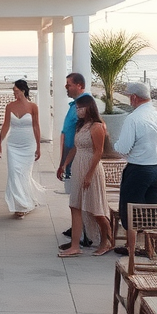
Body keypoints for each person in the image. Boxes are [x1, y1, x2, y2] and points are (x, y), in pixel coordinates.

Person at [113, 81, 157, 256]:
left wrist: (115, 146)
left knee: (131, 207)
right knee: (153, 206)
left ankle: (131, 247)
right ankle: (150, 247)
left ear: (134, 97)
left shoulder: (134, 118)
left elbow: (123, 148)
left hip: (138, 168)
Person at [58, 94, 113, 257]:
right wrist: (64, 164)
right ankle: (75, 245)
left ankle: (106, 240)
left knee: (96, 208)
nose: (78, 111)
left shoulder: (97, 126)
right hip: (78, 166)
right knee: (74, 205)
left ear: (89, 108)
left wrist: (89, 175)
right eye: (77, 108)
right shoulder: (80, 126)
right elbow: (75, 147)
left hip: (92, 167)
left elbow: (98, 152)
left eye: (81, 108)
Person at [0, 79, 44, 217]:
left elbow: (36, 126)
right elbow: (6, 125)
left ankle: (26, 202)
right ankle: (21, 205)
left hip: (28, 144)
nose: (14, 93)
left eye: (16, 91)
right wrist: (0, 142)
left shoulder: (33, 107)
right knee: (13, 173)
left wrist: (38, 146)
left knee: (24, 174)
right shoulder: (10, 106)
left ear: (23, 91)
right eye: (13, 91)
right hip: (13, 144)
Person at [56, 73, 93, 249]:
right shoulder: (74, 104)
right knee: (74, 198)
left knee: (78, 199)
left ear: (79, 85)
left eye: (69, 84)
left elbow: (84, 134)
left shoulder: (84, 104)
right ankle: (78, 231)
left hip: (79, 157)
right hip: (71, 156)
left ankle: (84, 235)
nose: (66, 87)